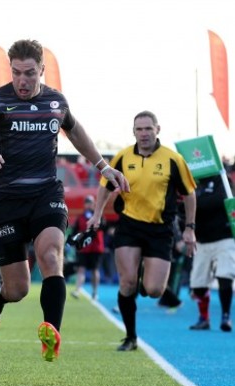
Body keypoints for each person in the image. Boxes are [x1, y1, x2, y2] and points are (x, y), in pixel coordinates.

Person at [0, 39, 129, 362]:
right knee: (18, 288)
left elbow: (75, 132)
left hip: (47, 193)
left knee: (50, 254)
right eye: (16, 73)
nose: (22, 80)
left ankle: (51, 331)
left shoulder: (56, 102)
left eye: (29, 73)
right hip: (7, 200)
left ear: (41, 71)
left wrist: (104, 166)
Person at [88, 110, 197, 352]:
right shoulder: (122, 157)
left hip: (161, 230)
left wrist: (190, 228)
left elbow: (189, 194)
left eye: (148, 128)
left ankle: (146, 274)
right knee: (127, 283)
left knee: (154, 290)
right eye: (139, 129)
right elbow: (105, 186)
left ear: (158, 130)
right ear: (133, 132)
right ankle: (130, 337)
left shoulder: (173, 159)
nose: (144, 133)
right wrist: (97, 214)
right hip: (129, 226)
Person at [188, 174, 234, 332]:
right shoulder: (192, 181)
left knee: (225, 276)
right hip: (201, 240)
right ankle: (204, 318)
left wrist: (195, 203)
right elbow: (183, 207)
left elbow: (219, 200)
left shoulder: (222, 179)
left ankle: (226, 317)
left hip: (225, 237)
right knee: (198, 283)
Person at [68, 195, 105, 300]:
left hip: (96, 247)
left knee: (95, 270)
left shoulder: (99, 216)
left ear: (94, 204)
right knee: (81, 269)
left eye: (90, 203)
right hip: (84, 248)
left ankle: (95, 292)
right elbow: (75, 231)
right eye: (87, 203)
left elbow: (103, 227)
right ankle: (78, 290)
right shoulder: (80, 217)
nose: (89, 205)